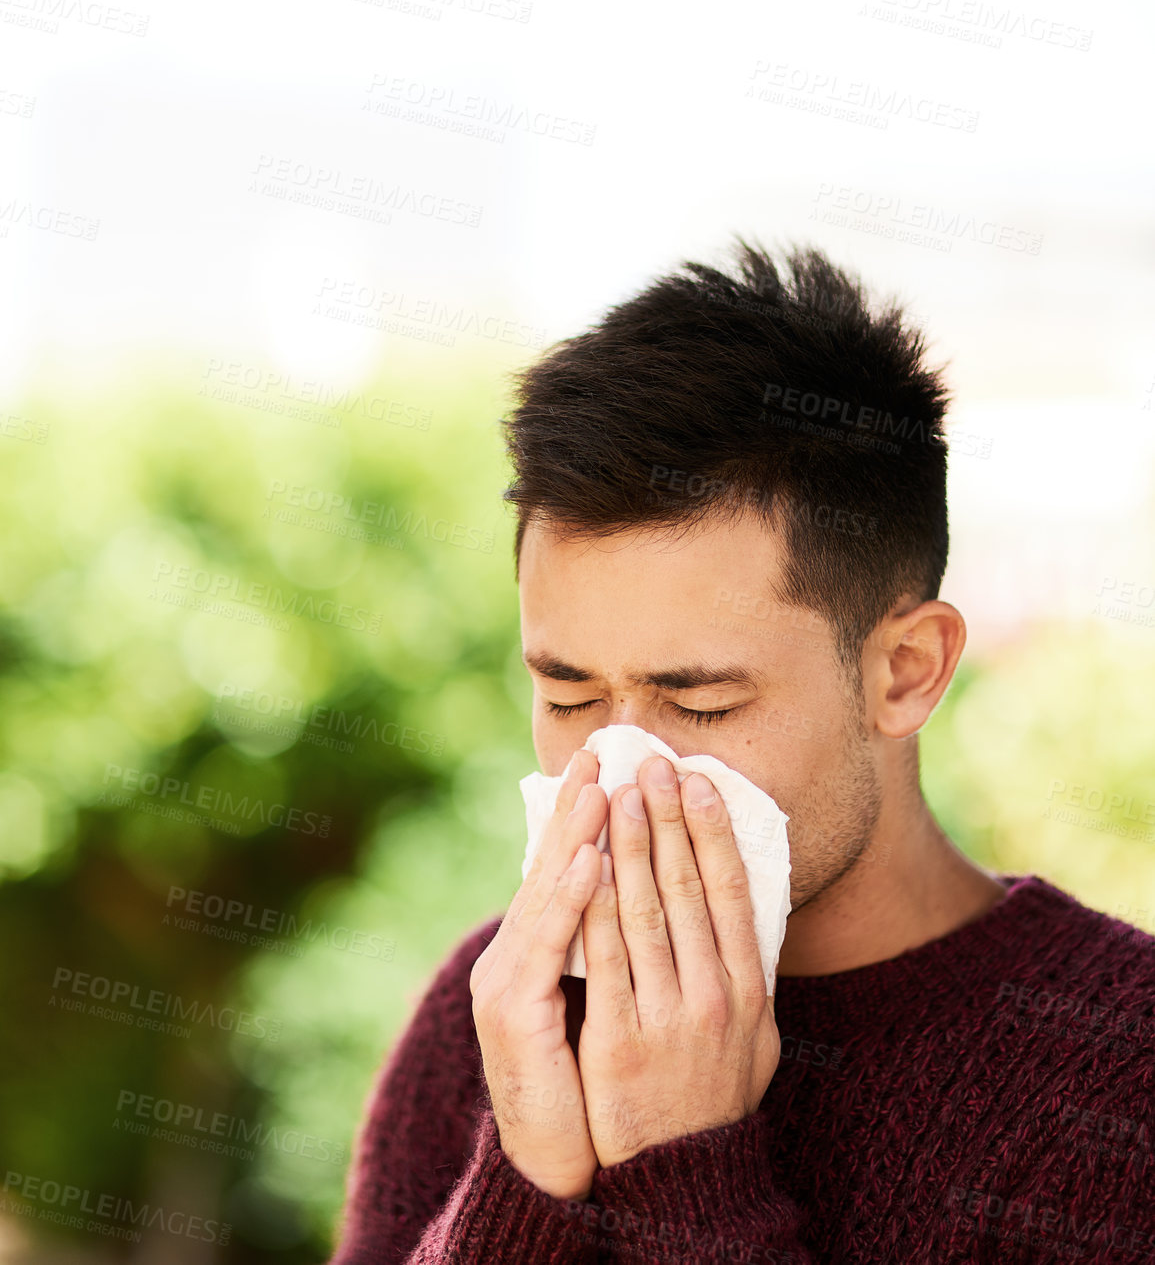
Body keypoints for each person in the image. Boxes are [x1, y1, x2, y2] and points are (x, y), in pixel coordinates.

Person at [328, 239, 1155, 1264]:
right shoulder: (501, 1013)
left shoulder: (1120, 1074)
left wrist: (685, 1172)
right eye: (567, 693)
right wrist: (522, 1185)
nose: (620, 775)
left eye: (702, 704)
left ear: (905, 671)